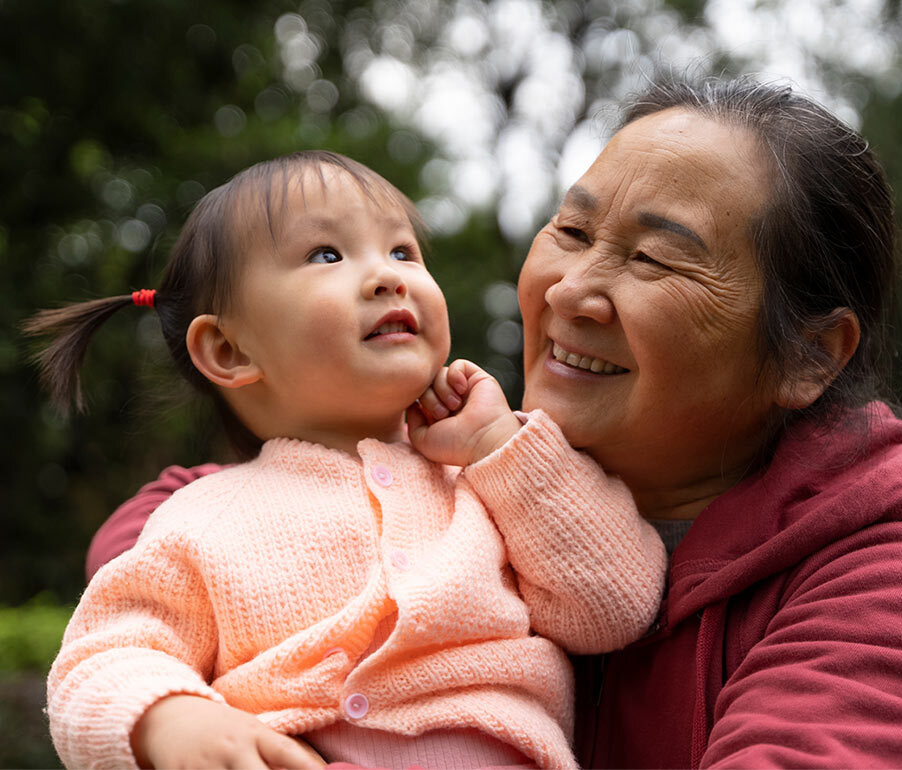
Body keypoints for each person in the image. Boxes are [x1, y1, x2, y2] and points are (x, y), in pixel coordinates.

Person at [85, 76, 902, 769]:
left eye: (654, 260)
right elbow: (161, 567)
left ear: (808, 357)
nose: (570, 291)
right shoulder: (455, 470)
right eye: (570, 231)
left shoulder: (889, 561)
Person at [31, 150, 667, 770]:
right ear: (228, 349)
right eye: (326, 255)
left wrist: (499, 447)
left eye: (402, 252)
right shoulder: (201, 518)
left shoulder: (494, 477)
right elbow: (103, 653)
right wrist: (168, 717)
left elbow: (613, 606)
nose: (389, 275)